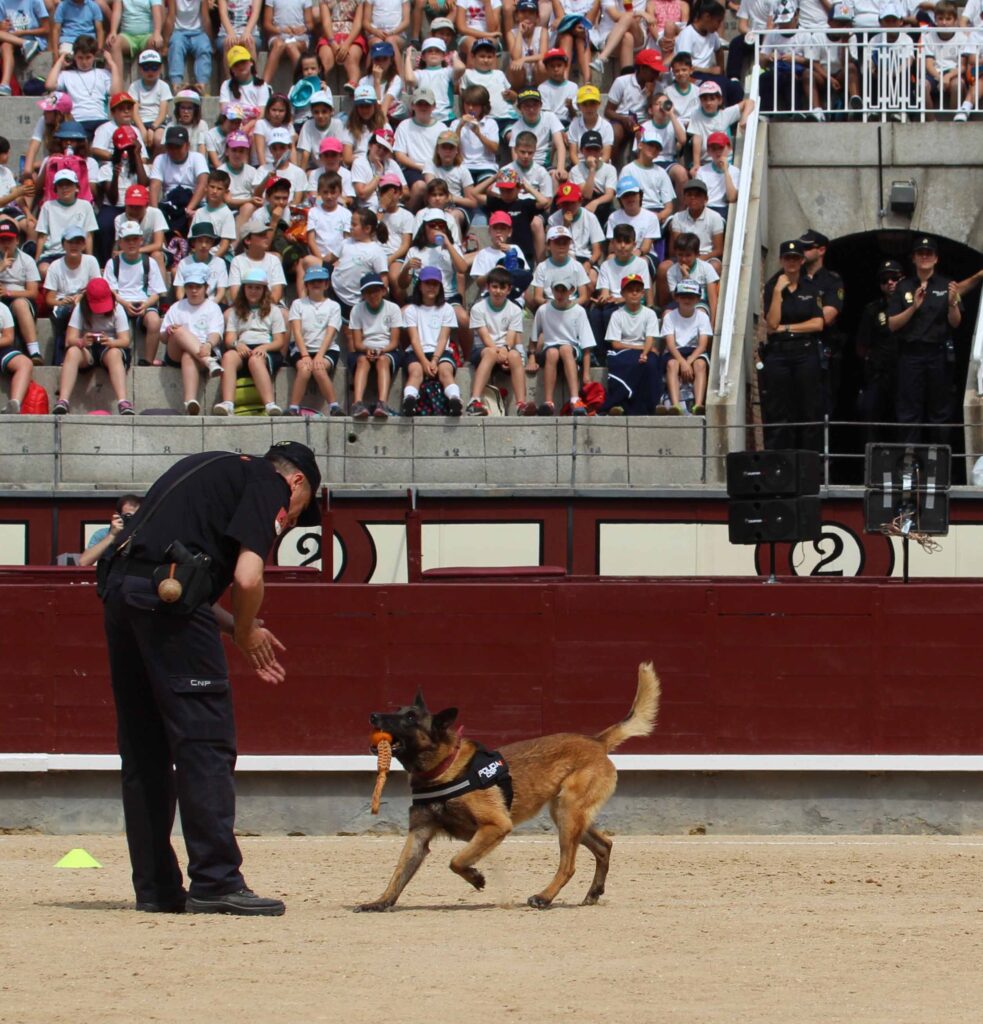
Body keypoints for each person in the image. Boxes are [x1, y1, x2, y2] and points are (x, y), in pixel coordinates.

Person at [99, 438, 322, 916]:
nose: (294, 520)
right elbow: (246, 577)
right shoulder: (271, 484)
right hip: (166, 606)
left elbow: (170, 575)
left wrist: (236, 627)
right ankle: (216, 881)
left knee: (144, 749)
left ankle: (156, 888)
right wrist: (245, 630)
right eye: (301, 510)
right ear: (297, 481)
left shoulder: (207, 465)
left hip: (124, 595)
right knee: (204, 743)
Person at [887, 235, 961, 444]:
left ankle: (937, 464)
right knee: (909, 411)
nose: (925, 257)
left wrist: (953, 303)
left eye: (929, 253)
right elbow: (892, 324)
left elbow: (955, 323)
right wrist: (913, 307)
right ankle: (909, 464)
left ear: (936, 258)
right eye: (921, 253)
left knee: (940, 411)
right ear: (913, 258)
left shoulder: (947, 285)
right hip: (910, 354)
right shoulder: (903, 287)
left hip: (938, 354)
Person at [759, 239, 825, 452]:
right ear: (781, 260)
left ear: (801, 260)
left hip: (805, 352)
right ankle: (778, 463)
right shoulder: (772, 286)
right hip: (779, 354)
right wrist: (778, 293)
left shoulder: (811, 287)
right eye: (788, 258)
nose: (792, 262)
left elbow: (818, 323)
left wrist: (787, 328)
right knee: (779, 410)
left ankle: (809, 461)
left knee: (809, 409)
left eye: (795, 258)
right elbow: (771, 325)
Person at [52, 277, 135, 415]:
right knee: (72, 351)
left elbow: (125, 340)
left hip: (110, 348)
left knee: (114, 354)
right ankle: (63, 401)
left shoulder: (117, 309)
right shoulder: (80, 309)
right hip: (87, 349)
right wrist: (82, 341)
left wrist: (110, 342)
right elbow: (69, 339)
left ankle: (123, 401)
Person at [213, 269, 286, 416]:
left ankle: (269, 404)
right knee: (228, 357)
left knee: (255, 360)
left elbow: (279, 341)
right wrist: (236, 345)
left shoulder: (274, 310)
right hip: (243, 347)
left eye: (258, 288)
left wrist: (265, 347)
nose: (253, 291)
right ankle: (228, 403)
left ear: (264, 290)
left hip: (266, 349)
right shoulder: (235, 311)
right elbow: (229, 339)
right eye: (250, 287)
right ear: (244, 289)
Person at [160, 262, 225, 414]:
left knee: (188, 355)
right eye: (190, 287)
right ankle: (208, 362)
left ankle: (190, 400)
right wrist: (169, 331)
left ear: (206, 288)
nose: (194, 290)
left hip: (205, 348)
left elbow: (216, 333)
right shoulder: (176, 307)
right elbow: (162, 338)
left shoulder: (213, 307)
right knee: (179, 331)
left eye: (198, 286)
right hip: (178, 351)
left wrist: (208, 345)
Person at [467, 266, 531, 415]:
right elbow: (484, 336)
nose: (498, 291)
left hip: (504, 349)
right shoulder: (478, 308)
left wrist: (505, 350)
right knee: (490, 353)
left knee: (515, 356)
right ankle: (474, 401)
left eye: (503, 288)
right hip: (482, 349)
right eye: (494, 287)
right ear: (488, 287)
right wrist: (498, 352)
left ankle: (521, 404)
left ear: (509, 290)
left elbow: (511, 336)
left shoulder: (515, 309)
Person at [400, 265, 463, 416]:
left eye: (435, 284)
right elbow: (414, 339)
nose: (431, 287)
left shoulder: (447, 309)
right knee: (416, 372)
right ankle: (409, 399)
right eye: (427, 283)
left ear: (440, 287)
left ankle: (455, 400)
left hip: (440, 352)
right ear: (420, 285)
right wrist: (424, 361)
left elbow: (443, 337)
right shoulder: (411, 310)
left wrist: (434, 360)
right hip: (417, 352)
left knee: (445, 371)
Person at [528, 275, 595, 416]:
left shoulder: (579, 311)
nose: (559, 294)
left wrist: (586, 374)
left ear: (571, 290)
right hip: (550, 349)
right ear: (551, 290)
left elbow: (586, 344)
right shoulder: (543, 310)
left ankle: (575, 399)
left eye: (563, 290)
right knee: (552, 352)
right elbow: (533, 338)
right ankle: (548, 402)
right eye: (556, 290)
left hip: (571, 349)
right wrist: (531, 358)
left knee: (565, 348)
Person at [599, 273, 662, 416]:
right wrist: (642, 350)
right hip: (624, 350)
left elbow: (650, 338)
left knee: (651, 364)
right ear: (623, 294)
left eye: (638, 290)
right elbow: (615, 344)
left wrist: (645, 354)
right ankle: (620, 403)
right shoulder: (617, 315)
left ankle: (652, 404)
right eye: (630, 290)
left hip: (644, 349)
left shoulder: (649, 314)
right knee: (626, 363)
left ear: (642, 293)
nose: (634, 293)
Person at [286, 265, 344, 416]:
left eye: (320, 281)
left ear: (326, 284)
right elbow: (296, 331)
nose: (316, 284)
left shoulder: (334, 306)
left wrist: (319, 355)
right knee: (304, 369)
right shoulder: (298, 304)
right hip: (302, 349)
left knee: (319, 368)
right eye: (312, 282)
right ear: (306, 285)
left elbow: (330, 332)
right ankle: (293, 407)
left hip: (327, 349)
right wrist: (305, 355)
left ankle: (334, 406)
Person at [856, 258, 903, 443]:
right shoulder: (872, 310)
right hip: (878, 373)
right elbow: (861, 345)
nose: (890, 283)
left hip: (905, 371)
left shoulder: (913, 305)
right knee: (871, 418)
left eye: (894, 278)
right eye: (885, 280)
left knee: (903, 419)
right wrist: (870, 361)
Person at [349, 271, 402, 419]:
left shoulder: (393, 308)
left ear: (383, 291)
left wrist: (381, 350)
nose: (373, 295)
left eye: (376, 291)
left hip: (387, 349)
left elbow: (394, 341)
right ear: (363, 295)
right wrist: (367, 350)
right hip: (364, 348)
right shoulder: (357, 309)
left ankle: (382, 403)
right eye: (368, 292)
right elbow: (357, 343)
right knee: (361, 361)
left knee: (383, 360)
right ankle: (357, 403)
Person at [661, 278, 711, 415]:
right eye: (683, 296)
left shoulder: (702, 317)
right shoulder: (669, 317)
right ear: (677, 298)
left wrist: (688, 361)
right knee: (672, 364)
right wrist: (683, 362)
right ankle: (675, 406)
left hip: (695, 351)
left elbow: (702, 345)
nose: (687, 300)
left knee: (700, 364)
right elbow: (670, 345)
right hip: (674, 351)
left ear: (698, 299)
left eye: (691, 297)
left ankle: (699, 405)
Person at [79, 494, 143, 566]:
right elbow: (84, 562)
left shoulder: (145, 535)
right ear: (118, 516)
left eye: (136, 517)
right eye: (128, 516)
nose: (133, 520)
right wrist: (112, 535)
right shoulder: (103, 534)